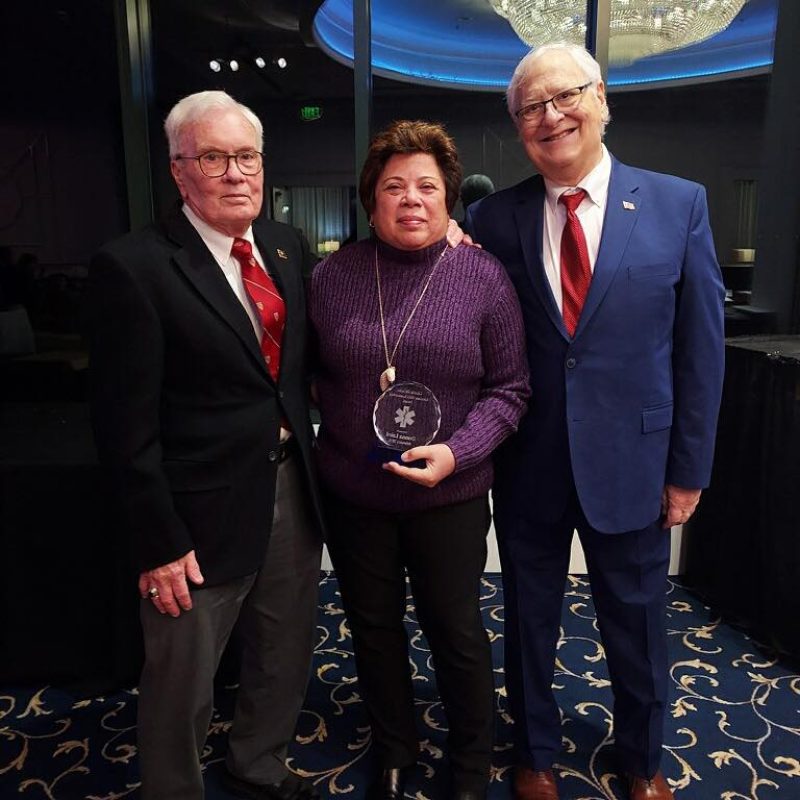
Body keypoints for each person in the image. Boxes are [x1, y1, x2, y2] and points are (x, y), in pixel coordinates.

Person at [465, 43, 725, 800]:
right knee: (528, 619)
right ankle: (536, 753)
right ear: (518, 130)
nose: (551, 117)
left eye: (565, 97)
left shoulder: (680, 205)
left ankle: (643, 759)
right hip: (530, 466)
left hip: (637, 466)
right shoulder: (490, 218)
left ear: (602, 97)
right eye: (530, 110)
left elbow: (701, 355)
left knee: (640, 624)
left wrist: (689, 470)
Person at [87, 90, 325, 800]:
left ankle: (258, 759)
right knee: (182, 678)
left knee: (283, 649)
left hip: (290, 485)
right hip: (194, 515)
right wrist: (158, 540)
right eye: (214, 157)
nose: (235, 173)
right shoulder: (133, 267)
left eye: (246, 156)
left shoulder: (285, 246)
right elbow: (123, 427)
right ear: (179, 170)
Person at [308, 120, 530, 800]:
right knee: (372, 630)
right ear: (370, 200)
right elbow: (309, 377)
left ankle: (470, 761)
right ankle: (396, 747)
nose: (411, 199)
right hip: (355, 492)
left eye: (427, 186)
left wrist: (458, 452)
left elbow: (512, 388)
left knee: (455, 630)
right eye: (394, 186)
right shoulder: (330, 276)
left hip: (449, 495)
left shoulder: (483, 277)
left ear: (449, 199)